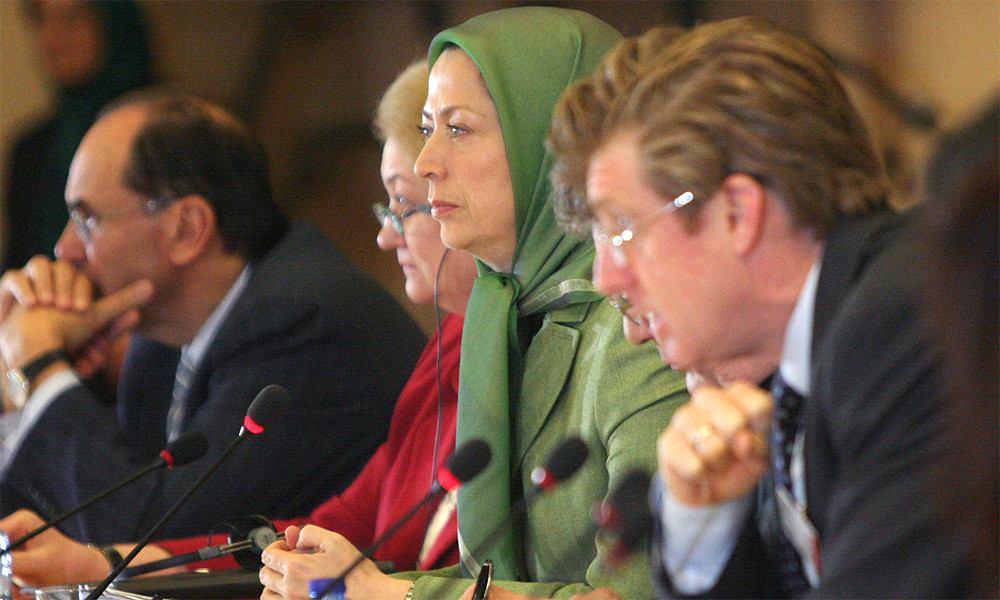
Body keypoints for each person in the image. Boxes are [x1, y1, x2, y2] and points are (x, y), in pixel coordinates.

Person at [260, 7, 688, 600]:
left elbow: (635, 597)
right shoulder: (496, 316)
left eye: (456, 129)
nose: (426, 163)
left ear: (550, 143)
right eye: (428, 128)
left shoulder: (642, 332)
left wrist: (389, 595)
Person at [0, 63, 480, 588]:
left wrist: (38, 369)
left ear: (187, 228)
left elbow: (154, 522)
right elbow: (133, 520)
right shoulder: (161, 335)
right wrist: (20, 377)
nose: (63, 249)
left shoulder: (306, 325)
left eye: (88, 220)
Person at [548, 17, 973, 597]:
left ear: (738, 215)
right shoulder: (777, 366)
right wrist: (704, 522)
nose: (605, 277)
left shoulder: (907, 321)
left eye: (624, 229)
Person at [3, 0, 155, 272]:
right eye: (42, 22)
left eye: (71, 20)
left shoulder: (164, 131)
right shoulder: (33, 148)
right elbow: (20, 261)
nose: (52, 39)